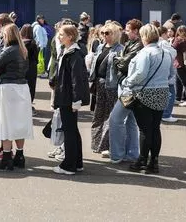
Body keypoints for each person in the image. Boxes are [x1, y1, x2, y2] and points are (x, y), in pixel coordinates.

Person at [122, 24, 174, 174]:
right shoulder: (166, 53)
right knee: (155, 128)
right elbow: (171, 74)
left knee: (144, 129)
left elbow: (141, 74)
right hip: (162, 92)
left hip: (144, 93)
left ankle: (142, 160)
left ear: (144, 37)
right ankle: (154, 161)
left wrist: (127, 82)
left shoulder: (145, 53)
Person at [0, 23, 33, 171]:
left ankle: (7, 158)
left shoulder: (8, 50)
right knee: (20, 122)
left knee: (5, 122)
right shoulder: (23, 50)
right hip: (22, 87)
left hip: (7, 87)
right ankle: (20, 156)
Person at [52, 24, 88, 175]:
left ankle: (69, 165)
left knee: (70, 131)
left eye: (61, 34)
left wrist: (76, 100)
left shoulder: (74, 54)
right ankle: (77, 162)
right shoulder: (67, 51)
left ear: (70, 37)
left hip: (68, 98)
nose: (59, 37)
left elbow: (76, 79)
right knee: (72, 130)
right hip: (65, 96)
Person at [107, 19, 143, 161]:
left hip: (129, 88)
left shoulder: (138, 46)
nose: (125, 33)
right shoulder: (130, 44)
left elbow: (123, 64)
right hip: (127, 85)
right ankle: (132, 153)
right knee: (130, 121)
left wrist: (118, 60)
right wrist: (119, 61)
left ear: (135, 31)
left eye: (128, 30)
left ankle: (117, 154)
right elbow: (121, 62)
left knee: (115, 119)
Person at [89, 23, 124, 156]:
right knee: (98, 114)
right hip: (99, 84)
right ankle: (96, 143)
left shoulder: (120, 49)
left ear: (114, 34)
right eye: (103, 33)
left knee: (109, 116)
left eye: (107, 33)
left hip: (112, 86)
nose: (104, 35)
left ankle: (107, 146)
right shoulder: (100, 47)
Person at [158, 27, 178, 123]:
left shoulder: (155, 42)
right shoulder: (163, 43)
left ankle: (163, 113)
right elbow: (173, 53)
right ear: (164, 34)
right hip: (167, 73)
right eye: (167, 33)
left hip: (160, 74)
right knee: (171, 94)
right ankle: (166, 114)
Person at [173, 26, 186, 106]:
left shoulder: (179, 40)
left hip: (180, 63)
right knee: (180, 81)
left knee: (185, 82)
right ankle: (179, 98)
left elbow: (172, 47)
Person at [20, 24, 39, 106]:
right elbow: (35, 57)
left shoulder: (19, 43)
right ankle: (29, 104)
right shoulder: (33, 43)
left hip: (21, 67)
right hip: (31, 67)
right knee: (31, 86)